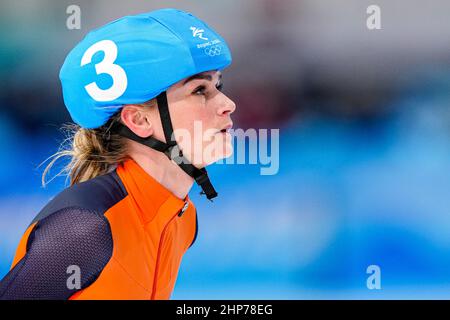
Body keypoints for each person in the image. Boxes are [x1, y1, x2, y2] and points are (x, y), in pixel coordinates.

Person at [0, 8, 236, 300]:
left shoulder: (182, 220)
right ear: (139, 120)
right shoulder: (85, 229)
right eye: (200, 90)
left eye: (218, 85)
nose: (228, 104)